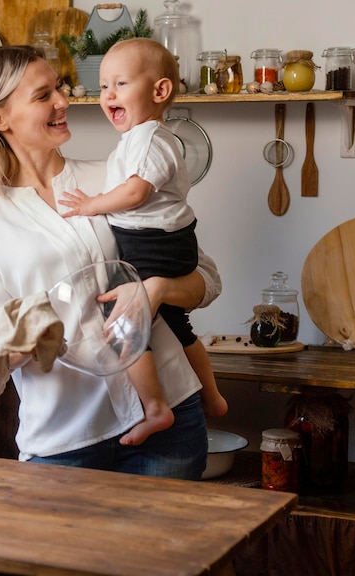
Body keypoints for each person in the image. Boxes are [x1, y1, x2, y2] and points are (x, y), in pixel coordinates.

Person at [0, 44, 222, 480]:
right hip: (66, 439)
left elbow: (205, 277)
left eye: (59, 88)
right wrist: (26, 342)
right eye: (43, 96)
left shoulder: (115, 178)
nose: (63, 101)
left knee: (170, 551)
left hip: (170, 416)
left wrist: (156, 291)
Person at [59, 38, 228, 446]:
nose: (108, 95)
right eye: (103, 87)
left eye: (120, 84)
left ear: (160, 91)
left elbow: (135, 194)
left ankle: (155, 408)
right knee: (175, 324)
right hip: (163, 241)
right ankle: (213, 397)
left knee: (125, 327)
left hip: (153, 245)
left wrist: (93, 205)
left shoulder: (150, 138)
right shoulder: (140, 138)